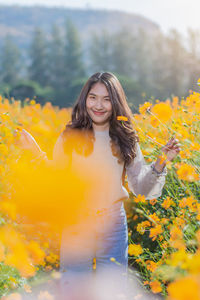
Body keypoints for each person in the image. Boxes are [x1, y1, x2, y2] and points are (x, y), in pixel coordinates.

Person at [16, 72, 181, 298]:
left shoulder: (126, 137)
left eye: (106, 99)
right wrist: (35, 152)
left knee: (112, 293)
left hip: (113, 224)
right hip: (76, 225)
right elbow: (56, 179)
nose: (99, 105)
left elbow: (141, 187)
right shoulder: (69, 136)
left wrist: (162, 160)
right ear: (85, 99)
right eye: (93, 97)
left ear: (116, 102)